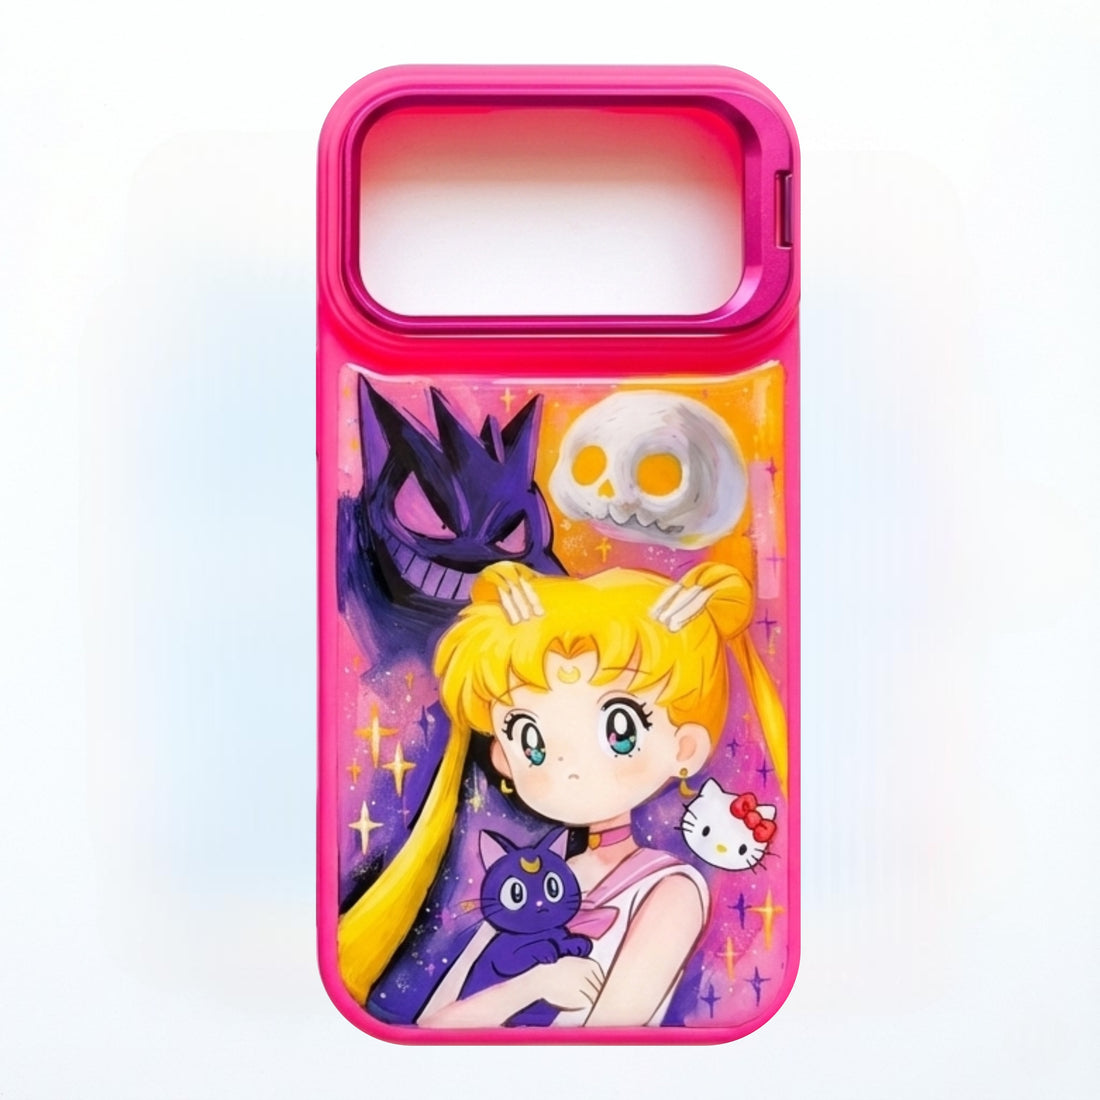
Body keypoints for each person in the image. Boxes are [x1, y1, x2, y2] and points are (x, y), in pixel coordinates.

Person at [338, 561, 786, 1026]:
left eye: (619, 730)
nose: (567, 764)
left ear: (685, 748)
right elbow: (434, 1025)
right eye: (529, 738)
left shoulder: (670, 890)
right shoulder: (532, 882)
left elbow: (617, 1025)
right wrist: (530, 986)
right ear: (504, 756)